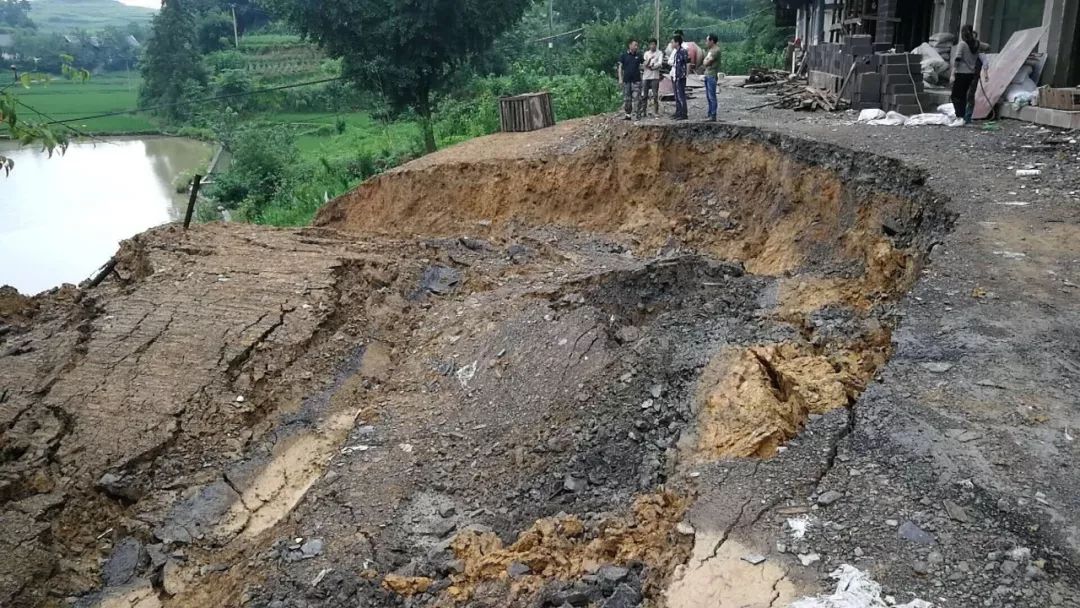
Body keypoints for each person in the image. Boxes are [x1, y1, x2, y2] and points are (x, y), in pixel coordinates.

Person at [951, 25, 983, 125]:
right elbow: (986, 47)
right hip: (971, 74)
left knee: (955, 96)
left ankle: (959, 116)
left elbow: (958, 58)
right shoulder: (977, 44)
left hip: (961, 73)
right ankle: (963, 117)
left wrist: (953, 73)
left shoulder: (962, 44)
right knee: (963, 95)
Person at [618, 39, 644, 121]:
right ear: (630, 45)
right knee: (627, 98)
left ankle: (637, 114)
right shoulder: (624, 55)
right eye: (635, 45)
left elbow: (643, 65)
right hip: (626, 80)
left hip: (636, 80)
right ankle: (627, 114)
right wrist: (620, 78)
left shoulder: (639, 55)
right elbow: (620, 68)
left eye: (637, 45)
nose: (636, 47)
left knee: (637, 97)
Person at [642, 38, 663, 116]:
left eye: (653, 44)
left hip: (655, 76)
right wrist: (650, 60)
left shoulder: (659, 53)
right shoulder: (646, 53)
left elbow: (660, 63)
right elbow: (644, 64)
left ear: (656, 45)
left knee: (655, 95)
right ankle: (643, 111)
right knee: (644, 95)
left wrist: (653, 67)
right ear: (649, 45)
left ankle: (656, 111)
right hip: (646, 76)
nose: (652, 46)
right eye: (651, 44)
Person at [703, 33, 721, 121]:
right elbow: (704, 61)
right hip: (707, 74)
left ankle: (713, 115)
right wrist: (705, 61)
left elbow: (706, 62)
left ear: (712, 41)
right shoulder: (710, 50)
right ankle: (710, 113)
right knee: (708, 96)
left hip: (711, 75)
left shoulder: (715, 51)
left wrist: (705, 62)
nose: (706, 42)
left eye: (707, 40)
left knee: (712, 96)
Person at [672, 34, 689, 120]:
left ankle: (683, 113)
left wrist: (684, 74)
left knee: (681, 95)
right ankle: (678, 112)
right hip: (677, 75)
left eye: (673, 42)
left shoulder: (683, 51)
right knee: (677, 95)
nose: (672, 44)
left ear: (677, 42)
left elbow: (686, 62)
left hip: (681, 76)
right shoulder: (677, 52)